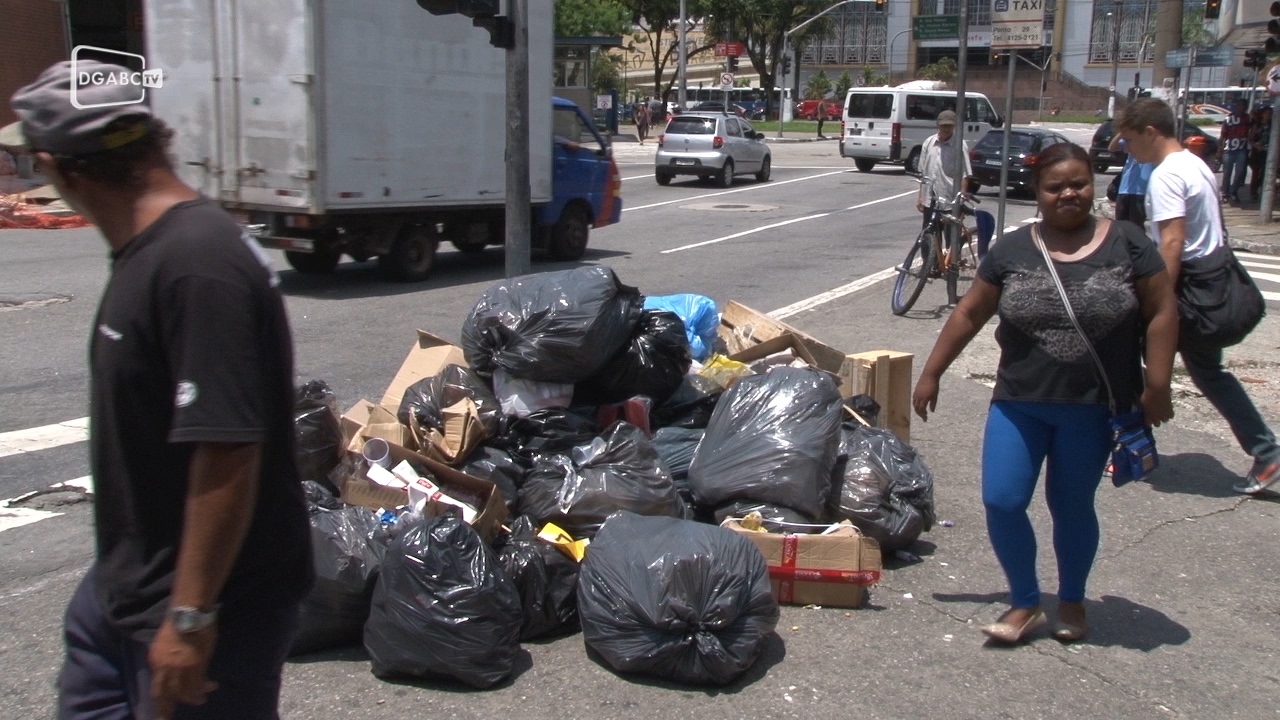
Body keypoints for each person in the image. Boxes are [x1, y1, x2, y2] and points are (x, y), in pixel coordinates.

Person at [2, 60, 313, 719]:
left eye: (31, 164)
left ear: (64, 168)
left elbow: (228, 448)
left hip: (210, 607)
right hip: (126, 590)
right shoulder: (148, 251)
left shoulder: (197, 264)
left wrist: (192, 617)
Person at [911, 142, 1179, 645]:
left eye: (1078, 183)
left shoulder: (1127, 242)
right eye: (1055, 187)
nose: (1069, 194)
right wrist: (932, 373)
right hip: (1019, 401)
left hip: (1093, 406)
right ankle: (1026, 602)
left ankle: (1072, 599)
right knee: (1002, 499)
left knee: (1071, 504)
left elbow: (1163, 310)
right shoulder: (1012, 250)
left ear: (1093, 184)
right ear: (1037, 193)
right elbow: (970, 312)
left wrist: (1158, 385)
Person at [1115, 97, 1280, 494]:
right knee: (1206, 371)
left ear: (1150, 133)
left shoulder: (1166, 176)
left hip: (1189, 287)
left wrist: (1158, 303)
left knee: (1126, 353)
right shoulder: (1195, 164)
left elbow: (1172, 243)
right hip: (1212, 279)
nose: (1127, 150)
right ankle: (1267, 452)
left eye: (1129, 140)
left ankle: (1135, 447)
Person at [916, 110, 973, 230]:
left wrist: (961, 197)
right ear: (938, 125)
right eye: (943, 126)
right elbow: (924, 174)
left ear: (954, 126)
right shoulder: (929, 143)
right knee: (929, 236)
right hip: (930, 199)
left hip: (950, 200)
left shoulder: (960, 145)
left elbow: (965, 174)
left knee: (950, 240)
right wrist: (921, 197)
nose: (946, 129)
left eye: (949, 126)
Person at [1109, 133, 1153, 227]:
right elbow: (1112, 148)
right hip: (1124, 189)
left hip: (1140, 192)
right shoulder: (1131, 139)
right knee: (1120, 226)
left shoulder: (1151, 141)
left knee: (1136, 228)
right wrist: (1122, 132)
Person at [1217, 99, 1251, 203]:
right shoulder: (1229, 119)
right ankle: (1224, 193)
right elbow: (1223, 135)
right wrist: (1220, 148)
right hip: (1229, 149)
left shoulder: (1248, 118)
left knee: (1239, 173)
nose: (1241, 108)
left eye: (1243, 106)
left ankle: (1233, 191)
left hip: (1241, 149)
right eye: (1239, 105)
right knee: (1227, 172)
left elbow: (1254, 128)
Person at [1247, 105, 1272, 201]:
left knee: (1265, 173)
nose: (1268, 116)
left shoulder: (1272, 125)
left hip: (1267, 152)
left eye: (1270, 114)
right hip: (1256, 152)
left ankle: (1259, 189)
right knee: (1255, 173)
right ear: (1262, 114)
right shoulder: (1256, 125)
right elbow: (1250, 139)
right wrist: (1256, 146)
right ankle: (1253, 193)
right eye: (1266, 113)